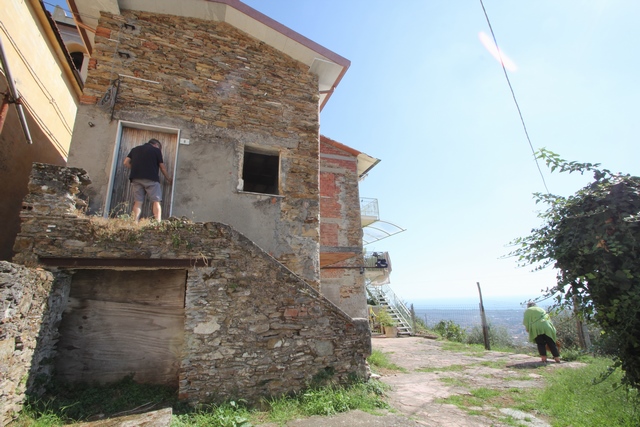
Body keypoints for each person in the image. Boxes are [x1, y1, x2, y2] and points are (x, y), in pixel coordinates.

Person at [123, 138, 172, 222]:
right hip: (151, 179)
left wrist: (135, 169)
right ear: (156, 145)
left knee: (138, 202)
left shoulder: (135, 149)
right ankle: (157, 223)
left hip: (136, 178)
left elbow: (126, 162)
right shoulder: (156, 150)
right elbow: (162, 168)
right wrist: (168, 178)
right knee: (156, 201)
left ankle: (134, 223)